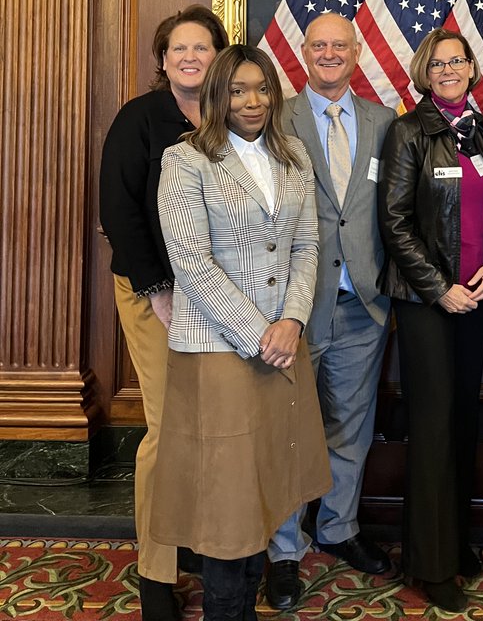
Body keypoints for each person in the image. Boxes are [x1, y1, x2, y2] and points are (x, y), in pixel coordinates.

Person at [151, 45, 331, 621]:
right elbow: (192, 262)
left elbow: (307, 246)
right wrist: (260, 334)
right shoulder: (186, 160)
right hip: (219, 348)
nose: (252, 101)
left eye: (262, 88)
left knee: (269, 485)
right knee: (226, 502)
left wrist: (292, 321)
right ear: (217, 95)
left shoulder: (294, 153)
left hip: (283, 344)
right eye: (237, 90)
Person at [99, 4, 229, 621]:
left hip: (220, 296)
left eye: (201, 48)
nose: (190, 57)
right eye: (179, 48)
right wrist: (156, 289)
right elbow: (118, 211)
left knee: (211, 424)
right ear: (163, 59)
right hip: (156, 293)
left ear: (218, 57)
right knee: (168, 426)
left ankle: (194, 542)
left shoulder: (231, 118)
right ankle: (155, 573)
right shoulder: (140, 118)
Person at [265, 14, 394, 610]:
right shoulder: (276, 116)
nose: (329, 53)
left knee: (351, 426)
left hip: (362, 302)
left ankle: (338, 528)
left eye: (339, 45)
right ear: (304, 51)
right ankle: (283, 550)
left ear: (356, 50)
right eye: (319, 45)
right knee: (289, 431)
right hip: (292, 307)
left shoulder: (383, 121)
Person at [378, 27, 483, 611]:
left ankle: (453, 544)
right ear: (424, 73)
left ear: (472, 69)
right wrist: (438, 289)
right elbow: (394, 222)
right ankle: (429, 564)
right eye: (438, 63)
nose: (449, 70)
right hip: (427, 302)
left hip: (478, 296)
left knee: (461, 420)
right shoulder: (408, 132)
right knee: (432, 426)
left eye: (457, 61)